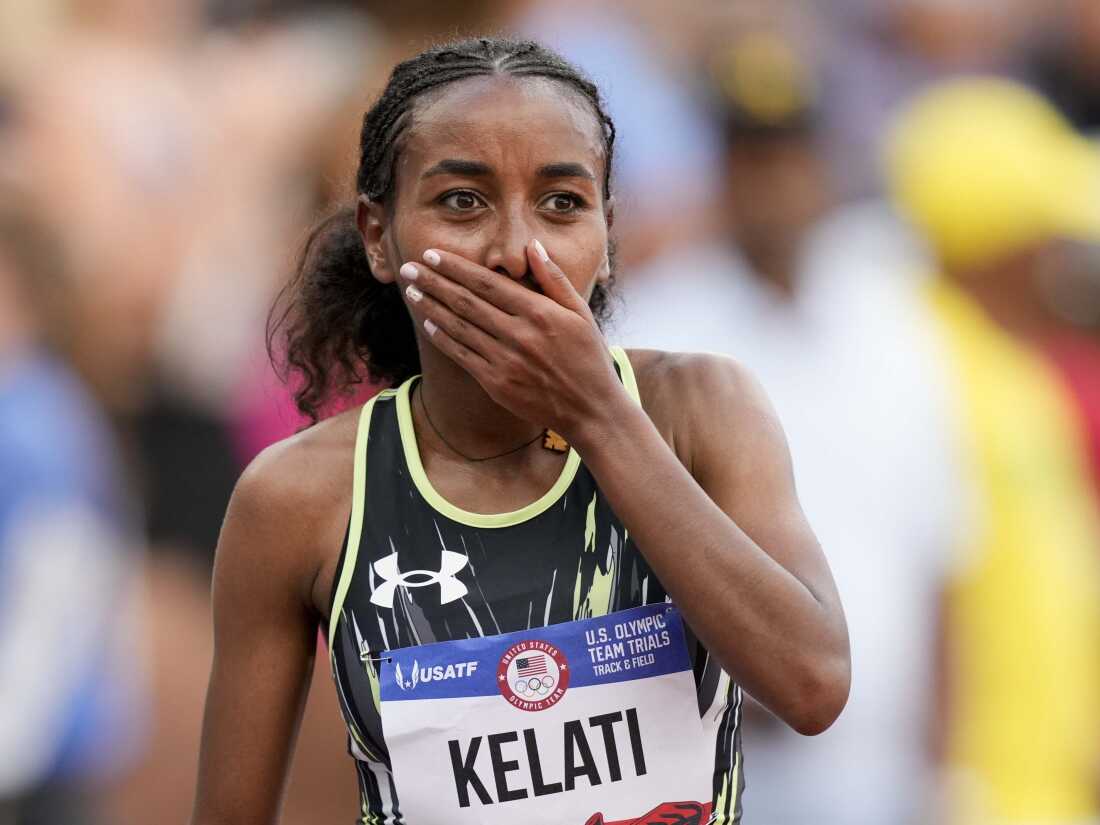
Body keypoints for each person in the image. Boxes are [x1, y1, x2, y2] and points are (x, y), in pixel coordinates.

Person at [190, 38, 850, 825]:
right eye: (462, 202)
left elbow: (811, 685)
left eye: (562, 203)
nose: (513, 250)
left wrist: (597, 415)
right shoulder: (302, 499)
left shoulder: (699, 408)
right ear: (378, 234)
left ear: (607, 238)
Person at [615, 31, 962, 825]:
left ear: (827, 164)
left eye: (791, 157)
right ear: (721, 169)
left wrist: (943, 770)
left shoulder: (895, 318)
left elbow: (940, 553)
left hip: (878, 763)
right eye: (752, 159)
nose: (775, 183)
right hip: (721, 754)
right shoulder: (662, 324)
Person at [886, 77, 1100, 825]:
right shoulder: (919, 368)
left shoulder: (1016, 364)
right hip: (979, 794)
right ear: (1002, 239)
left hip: (1051, 782)